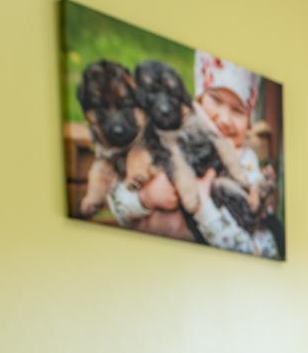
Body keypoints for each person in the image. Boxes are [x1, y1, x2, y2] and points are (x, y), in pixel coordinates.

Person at [105, 51, 279, 257]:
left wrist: (204, 209)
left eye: (238, 110)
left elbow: (263, 250)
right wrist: (146, 197)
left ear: (249, 121)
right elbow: (118, 206)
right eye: (216, 100)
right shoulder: (174, 136)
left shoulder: (246, 164)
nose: (224, 119)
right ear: (196, 101)